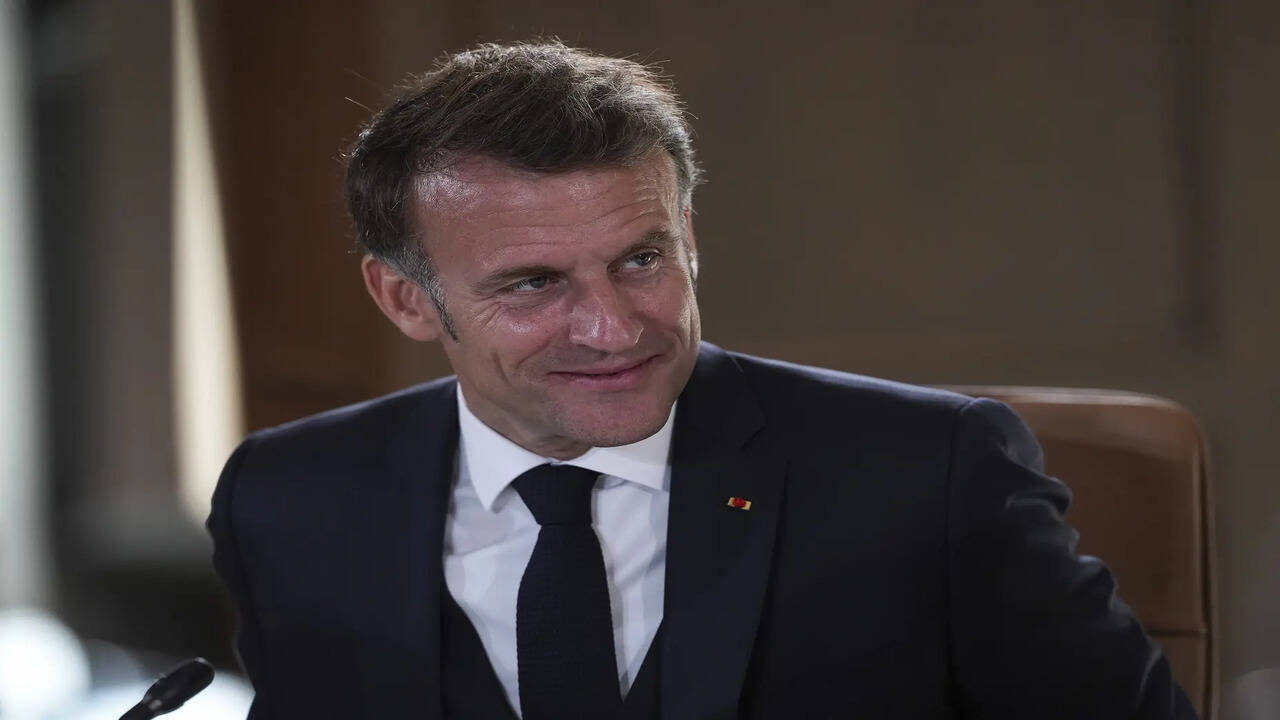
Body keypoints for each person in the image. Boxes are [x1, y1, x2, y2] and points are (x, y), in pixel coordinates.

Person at [207, 41, 1198, 719]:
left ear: (686, 235)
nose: (613, 328)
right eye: (534, 283)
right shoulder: (288, 498)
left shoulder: (929, 474)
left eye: (641, 259)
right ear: (405, 300)